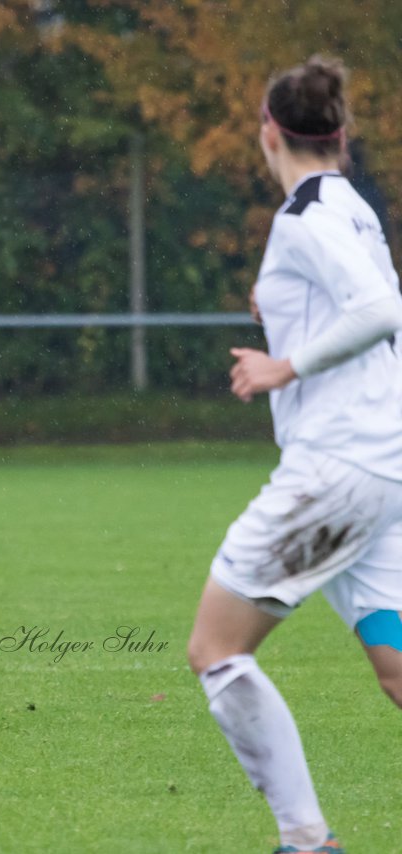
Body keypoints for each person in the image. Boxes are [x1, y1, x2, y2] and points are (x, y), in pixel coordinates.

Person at [187, 56, 402, 854]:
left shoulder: (304, 217)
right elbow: (365, 308)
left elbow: (382, 310)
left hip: (337, 468)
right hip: (383, 467)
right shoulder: (351, 207)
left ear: (267, 131)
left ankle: (306, 841)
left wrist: (285, 363)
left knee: (215, 649)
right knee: (396, 670)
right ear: (341, 137)